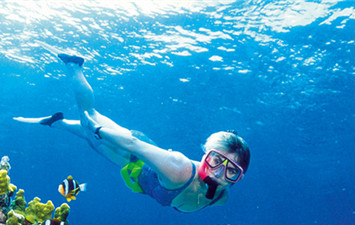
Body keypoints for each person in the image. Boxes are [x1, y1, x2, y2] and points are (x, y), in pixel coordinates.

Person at [14, 53, 250, 213]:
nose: (220, 173)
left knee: (89, 137)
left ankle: (57, 123)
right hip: (131, 156)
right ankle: (74, 66)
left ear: (239, 177)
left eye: (231, 171)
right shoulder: (178, 169)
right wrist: (99, 130)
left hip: (142, 158)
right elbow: (134, 144)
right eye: (217, 160)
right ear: (206, 154)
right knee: (90, 115)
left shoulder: (222, 195)